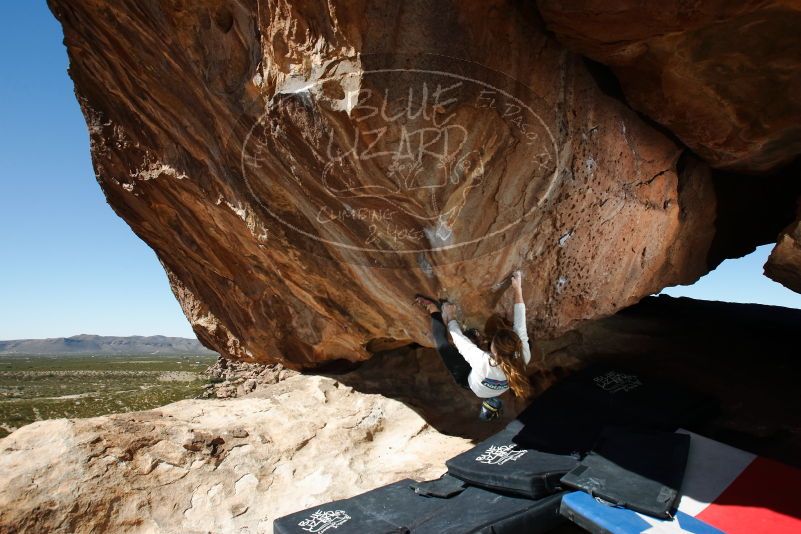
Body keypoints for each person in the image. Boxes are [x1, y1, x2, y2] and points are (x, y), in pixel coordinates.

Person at [415, 270, 533, 421]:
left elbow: (459, 340)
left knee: (442, 344)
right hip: (491, 380)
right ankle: (476, 338)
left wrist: (450, 316)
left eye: (491, 344)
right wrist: (517, 288)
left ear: (493, 352)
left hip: (469, 380)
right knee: (528, 342)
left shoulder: (484, 361)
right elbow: (520, 323)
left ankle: (433, 311)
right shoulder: (523, 355)